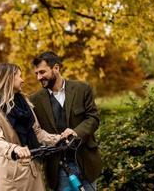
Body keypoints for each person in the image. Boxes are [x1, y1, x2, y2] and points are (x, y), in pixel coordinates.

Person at [0, 63, 62, 191]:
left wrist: (58, 138)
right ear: (9, 78)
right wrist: (14, 149)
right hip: (12, 177)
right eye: (19, 76)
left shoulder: (25, 103)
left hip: (33, 170)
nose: (23, 80)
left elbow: (37, 132)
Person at [30, 51, 102, 191]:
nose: (39, 77)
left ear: (56, 68)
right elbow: (36, 131)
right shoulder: (34, 100)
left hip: (85, 161)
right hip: (57, 167)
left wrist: (76, 132)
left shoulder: (82, 89)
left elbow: (93, 118)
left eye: (42, 72)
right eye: (36, 74)